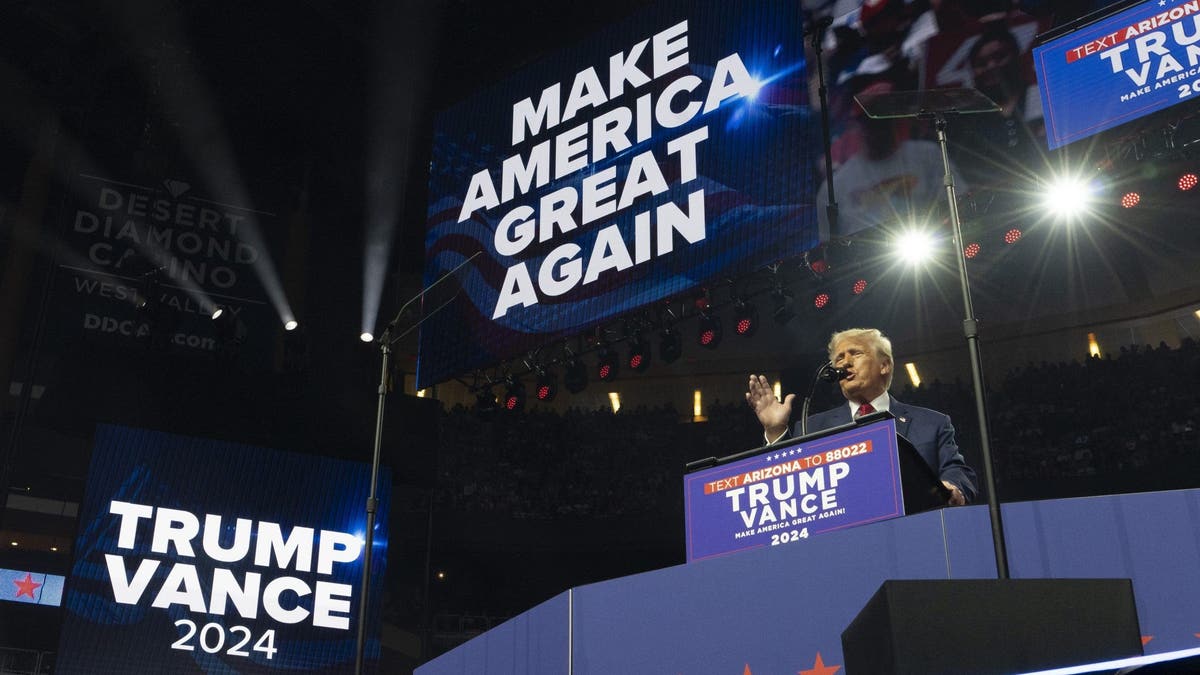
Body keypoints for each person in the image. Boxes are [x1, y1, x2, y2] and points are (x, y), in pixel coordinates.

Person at [745, 327, 977, 505]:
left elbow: (957, 470)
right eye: (838, 359)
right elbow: (788, 483)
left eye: (855, 353)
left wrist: (952, 487)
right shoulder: (814, 427)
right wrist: (776, 431)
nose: (845, 362)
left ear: (884, 365)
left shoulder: (932, 423)